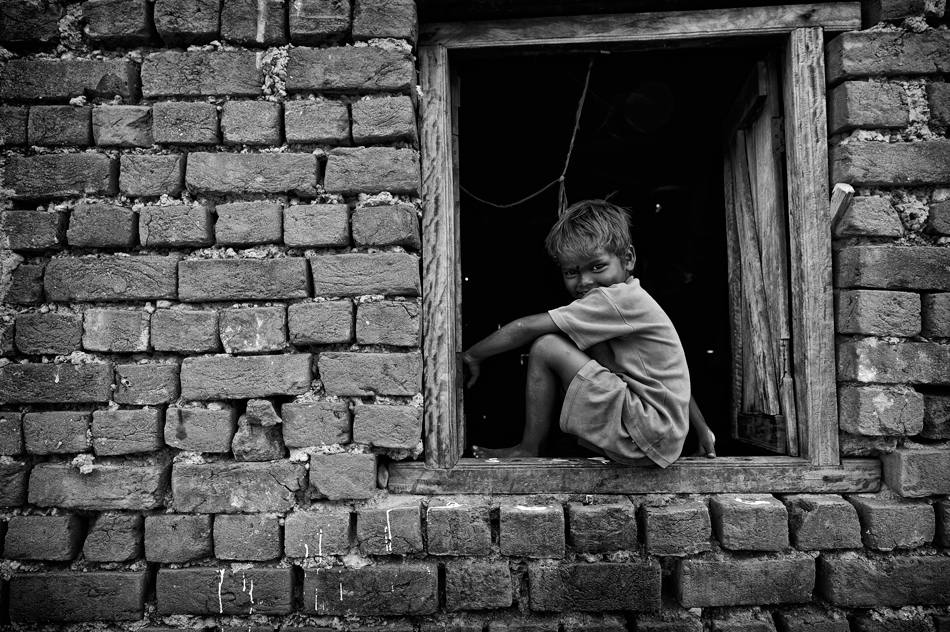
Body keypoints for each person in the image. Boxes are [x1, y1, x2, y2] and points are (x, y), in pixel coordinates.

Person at [460, 199, 716, 467]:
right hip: (660, 437)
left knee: (547, 345)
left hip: (647, 432)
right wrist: (701, 428)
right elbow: (673, 375)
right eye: (572, 272)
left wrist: (472, 355)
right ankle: (565, 446)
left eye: (597, 267)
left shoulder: (615, 300)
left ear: (627, 259)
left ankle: (529, 448)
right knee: (582, 346)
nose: (584, 282)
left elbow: (528, 327)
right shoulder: (631, 300)